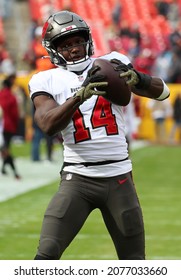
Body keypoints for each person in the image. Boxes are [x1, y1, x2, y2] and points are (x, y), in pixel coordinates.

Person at [29, 10, 170, 260]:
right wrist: (79, 95)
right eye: (66, 44)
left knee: (134, 262)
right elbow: (47, 125)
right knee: (46, 253)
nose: (74, 48)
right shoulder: (45, 79)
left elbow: (163, 92)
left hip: (118, 177)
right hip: (78, 178)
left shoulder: (111, 62)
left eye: (78, 41)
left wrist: (138, 79)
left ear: (88, 40)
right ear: (53, 49)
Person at [0, 74, 21, 179]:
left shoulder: (1, 95)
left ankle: (4, 169)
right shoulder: (12, 97)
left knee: (5, 148)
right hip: (8, 126)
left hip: (3, 125)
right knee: (6, 149)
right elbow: (15, 114)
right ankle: (15, 172)